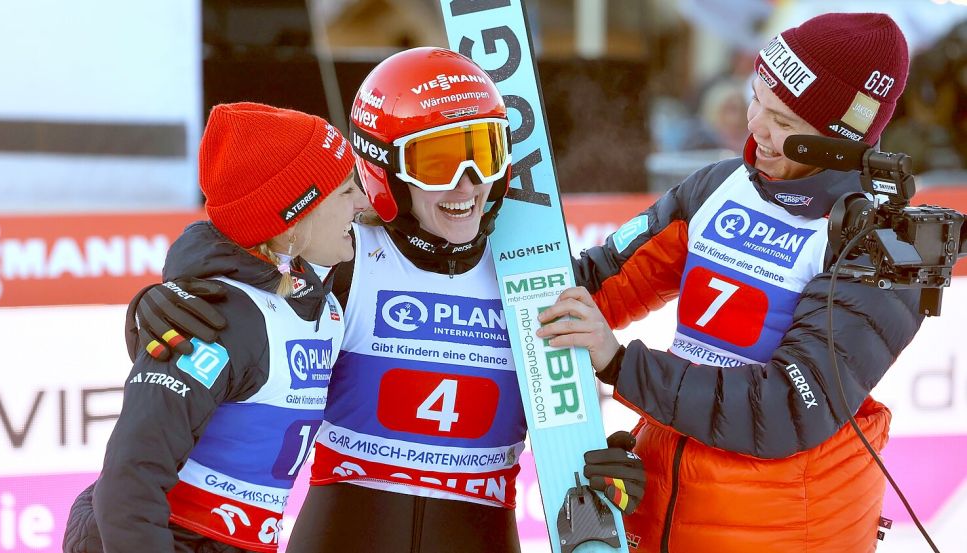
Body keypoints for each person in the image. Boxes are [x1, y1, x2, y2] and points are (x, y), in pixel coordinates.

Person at [119, 48, 644, 553]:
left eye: (484, 154)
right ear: (384, 167)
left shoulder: (533, 274)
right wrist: (170, 291)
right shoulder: (346, 255)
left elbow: (669, 254)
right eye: (437, 162)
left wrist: (615, 461)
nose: (468, 184)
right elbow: (249, 241)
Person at [537, 12, 924, 553]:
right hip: (673, 517)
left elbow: (787, 409)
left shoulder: (878, 244)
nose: (755, 127)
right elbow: (595, 285)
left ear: (837, 142)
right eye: (755, 99)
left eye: (783, 121)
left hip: (784, 534)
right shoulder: (720, 186)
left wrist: (622, 366)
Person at [63, 102, 367, 552]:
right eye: (345, 191)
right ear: (294, 218)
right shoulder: (215, 319)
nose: (362, 203)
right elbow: (129, 483)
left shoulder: (315, 296)